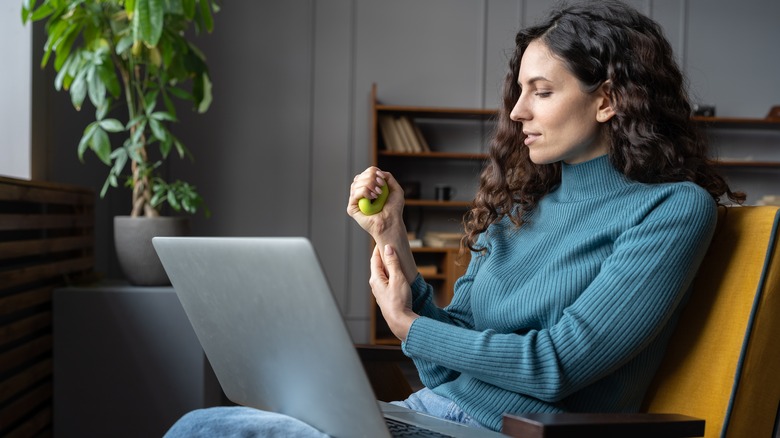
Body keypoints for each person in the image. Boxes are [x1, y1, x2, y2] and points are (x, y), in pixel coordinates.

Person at [165, 1, 743, 435]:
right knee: (214, 422)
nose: (517, 113)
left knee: (207, 430)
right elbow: (444, 367)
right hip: (428, 417)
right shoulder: (524, 205)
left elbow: (557, 367)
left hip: (501, 433)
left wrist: (410, 327)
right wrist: (392, 238)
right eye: (519, 92)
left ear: (608, 99)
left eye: (540, 92)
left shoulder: (671, 209)